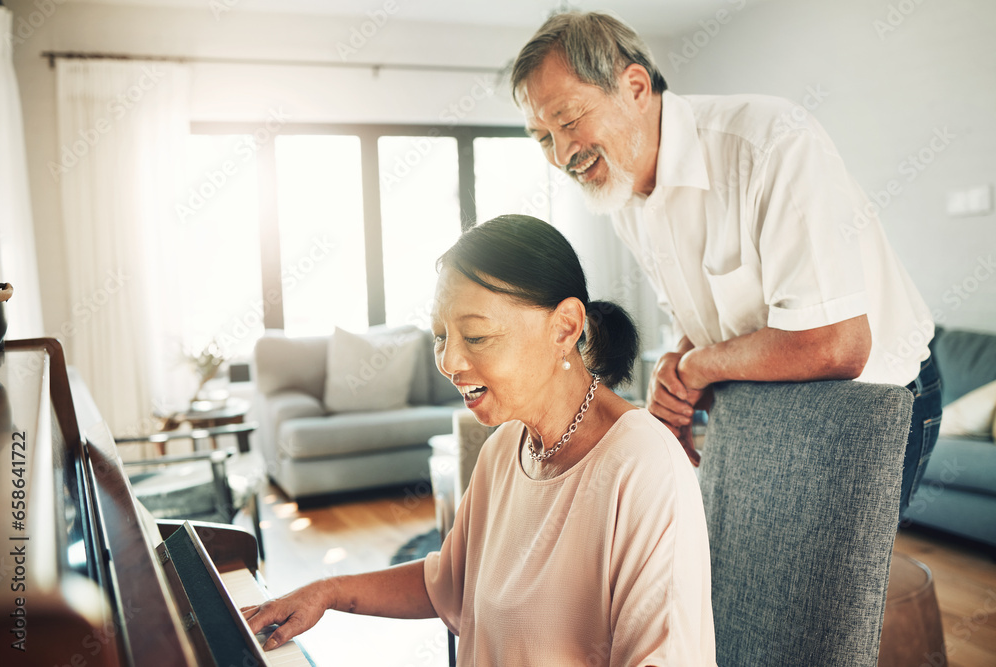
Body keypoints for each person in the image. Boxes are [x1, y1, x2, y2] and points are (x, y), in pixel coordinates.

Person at [510, 11, 941, 515]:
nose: (561, 154)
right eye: (542, 138)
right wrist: (677, 362)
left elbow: (837, 343)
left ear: (634, 86)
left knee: (829, 592)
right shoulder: (622, 193)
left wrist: (696, 367)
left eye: (567, 120)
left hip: (878, 403)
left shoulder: (770, 143)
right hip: (768, 409)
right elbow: (706, 319)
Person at [242, 215, 717, 665]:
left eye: (476, 336)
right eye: (440, 336)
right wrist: (327, 591)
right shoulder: (505, 448)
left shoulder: (644, 466)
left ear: (565, 328)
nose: (449, 361)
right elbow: (449, 583)